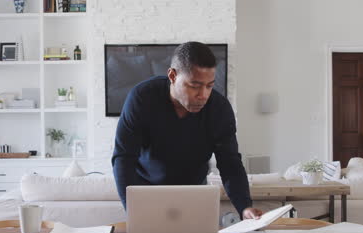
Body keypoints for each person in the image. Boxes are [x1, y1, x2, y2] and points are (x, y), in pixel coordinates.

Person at [112, 41, 263, 220]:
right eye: (194, 86)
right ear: (172, 75)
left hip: (194, 191)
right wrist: (133, 210)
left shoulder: (219, 109)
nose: (203, 95)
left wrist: (244, 206)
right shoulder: (142, 99)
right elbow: (123, 158)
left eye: (209, 86)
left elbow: (230, 164)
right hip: (145, 189)